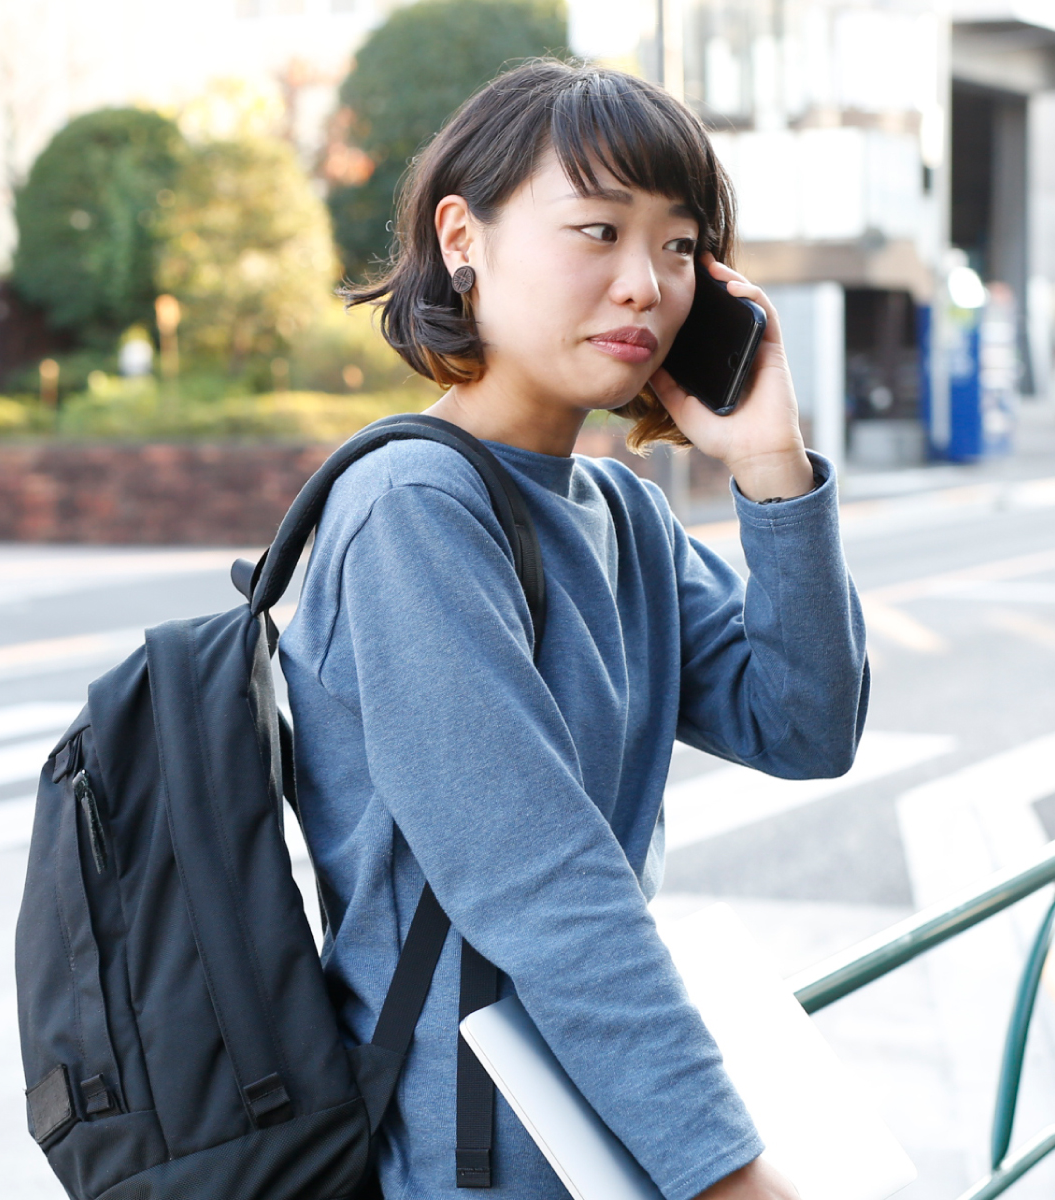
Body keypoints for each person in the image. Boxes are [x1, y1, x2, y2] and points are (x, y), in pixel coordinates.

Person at [282, 60, 869, 1200]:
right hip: (477, 1158)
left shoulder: (618, 515)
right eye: (596, 231)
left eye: (679, 245)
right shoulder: (413, 508)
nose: (645, 284)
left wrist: (770, 467)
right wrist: (727, 1175)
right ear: (463, 239)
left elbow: (806, 726)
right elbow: (541, 882)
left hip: (598, 1129)